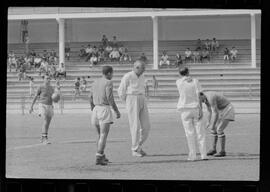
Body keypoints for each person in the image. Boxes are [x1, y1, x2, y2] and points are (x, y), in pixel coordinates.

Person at [118, 60, 151, 157]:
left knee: (146, 126)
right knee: (135, 125)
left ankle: (138, 146)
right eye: (143, 68)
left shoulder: (142, 76)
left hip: (142, 97)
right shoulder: (128, 76)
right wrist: (127, 101)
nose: (144, 70)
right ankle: (135, 149)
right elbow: (121, 90)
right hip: (132, 97)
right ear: (136, 67)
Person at [90, 66, 121, 165]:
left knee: (99, 135)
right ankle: (99, 157)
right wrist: (116, 111)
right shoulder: (108, 82)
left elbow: (90, 97)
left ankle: (102, 155)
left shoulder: (95, 82)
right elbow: (110, 98)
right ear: (108, 73)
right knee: (103, 135)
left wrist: (93, 109)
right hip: (104, 109)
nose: (112, 75)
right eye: (112, 73)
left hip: (95, 109)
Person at [176, 67, 207, 161]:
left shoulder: (178, 82)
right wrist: (201, 109)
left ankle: (192, 155)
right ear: (188, 72)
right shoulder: (195, 81)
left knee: (189, 133)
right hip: (195, 108)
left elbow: (183, 80)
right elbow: (200, 95)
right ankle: (203, 155)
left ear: (180, 74)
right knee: (200, 133)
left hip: (184, 109)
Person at [199, 91, 235, 157]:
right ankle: (213, 149)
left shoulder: (210, 97)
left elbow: (215, 113)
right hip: (220, 110)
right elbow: (209, 111)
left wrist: (212, 125)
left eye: (199, 99)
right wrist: (208, 122)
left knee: (219, 129)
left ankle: (222, 151)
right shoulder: (205, 99)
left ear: (201, 95)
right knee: (213, 129)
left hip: (227, 109)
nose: (199, 102)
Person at [29, 74, 55, 144]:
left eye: (49, 78)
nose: (48, 80)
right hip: (42, 104)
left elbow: (53, 97)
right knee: (46, 120)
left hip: (50, 105)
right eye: (47, 78)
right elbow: (35, 97)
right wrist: (31, 106)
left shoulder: (52, 88)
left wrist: (54, 101)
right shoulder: (40, 87)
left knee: (47, 123)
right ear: (44, 79)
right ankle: (45, 138)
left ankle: (42, 136)